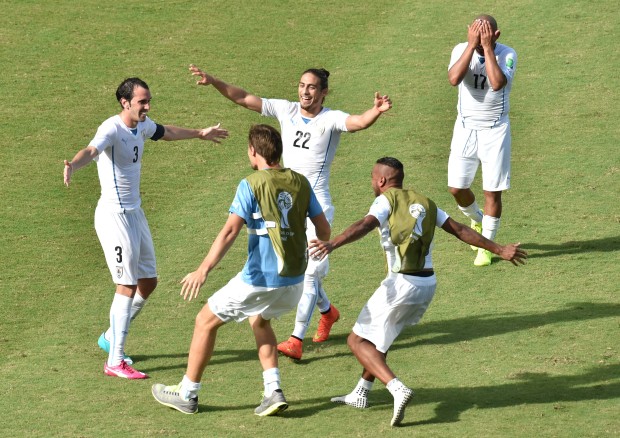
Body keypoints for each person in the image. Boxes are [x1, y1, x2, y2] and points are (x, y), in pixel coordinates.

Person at [187, 64, 392, 360]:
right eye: (301, 85)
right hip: (280, 200)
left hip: (313, 204)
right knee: (292, 264)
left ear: (323, 92)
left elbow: (358, 122)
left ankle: (296, 338)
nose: (304, 92)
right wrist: (214, 80)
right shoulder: (286, 110)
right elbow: (244, 98)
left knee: (308, 272)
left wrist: (376, 111)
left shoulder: (330, 119)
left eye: (311, 87)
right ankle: (327, 311)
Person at [309, 157, 526, 426]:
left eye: (372, 178)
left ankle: (397, 388)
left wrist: (333, 243)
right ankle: (361, 393)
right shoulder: (426, 202)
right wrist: (499, 249)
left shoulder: (384, 201)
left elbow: (364, 224)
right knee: (380, 340)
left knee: (356, 341)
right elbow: (459, 229)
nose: (372, 183)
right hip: (426, 285)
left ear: (382, 181)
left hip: (400, 284)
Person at [151, 124, 330, 415]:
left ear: (253, 151)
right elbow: (323, 229)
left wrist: (203, 270)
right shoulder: (301, 182)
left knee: (205, 321)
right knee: (259, 321)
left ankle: (187, 393)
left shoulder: (251, 184)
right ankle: (273, 390)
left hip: (260, 279)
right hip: (295, 282)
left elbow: (229, 232)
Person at [63, 77, 229, 379]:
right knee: (126, 285)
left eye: (148, 100)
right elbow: (91, 150)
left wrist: (200, 133)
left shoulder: (142, 124)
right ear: (125, 102)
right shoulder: (111, 128)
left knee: (148, 281)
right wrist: (73, 165)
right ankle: (115, 361)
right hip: (114, 217)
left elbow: (165, 132)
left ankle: (111, 336)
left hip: (135, 214)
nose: (148, 106)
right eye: (142, 102)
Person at [447, 14, 518, 266]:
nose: (479, 40)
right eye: (474, 35)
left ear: (496, 36)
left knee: (492, 192)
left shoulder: (508, 54)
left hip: (495, 131)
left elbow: (498, 83)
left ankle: (486, 246)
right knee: (456, 187)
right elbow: (454, 78)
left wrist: (487, 48)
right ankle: (477, 217)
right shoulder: (460, 49)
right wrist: (470, 46)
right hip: (465, 129)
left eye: (485, 36)